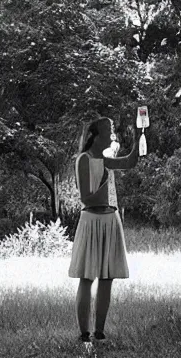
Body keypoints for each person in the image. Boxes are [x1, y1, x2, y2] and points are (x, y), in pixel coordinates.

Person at [68, 116, 139, 343]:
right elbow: (86, 198)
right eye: (107, 130)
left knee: (107, 277)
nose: (112, 134)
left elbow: (129, 162)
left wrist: (140, 137)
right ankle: (84, 334)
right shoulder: (84, 159)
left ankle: (99, 331)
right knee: (87, 276)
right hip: (91, 220)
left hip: (110, 220)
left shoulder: (106, 159)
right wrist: (105, 186)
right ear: (94, 136)